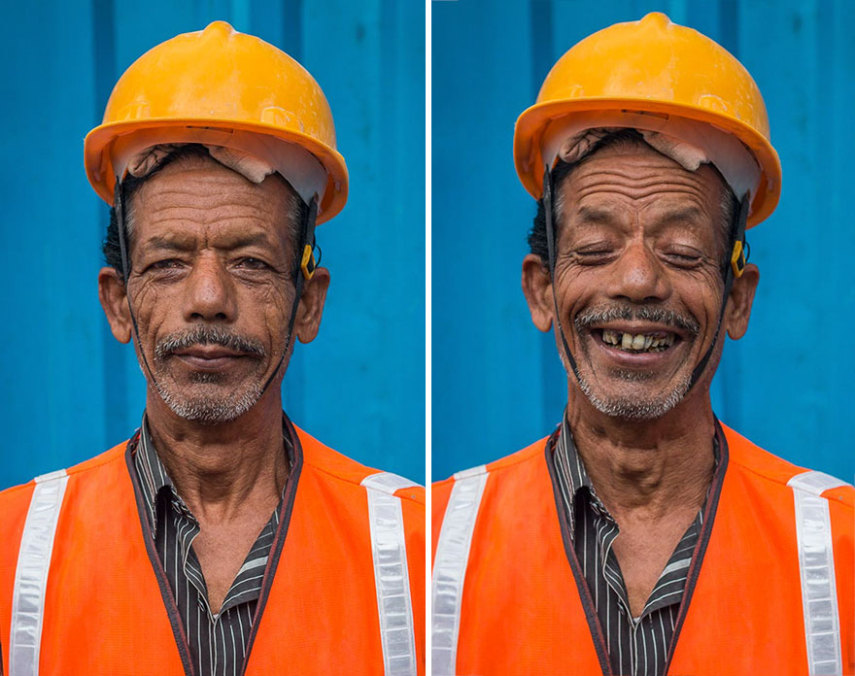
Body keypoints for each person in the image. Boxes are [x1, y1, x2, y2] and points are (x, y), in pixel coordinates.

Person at [432, 13, 852, 675]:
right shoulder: (427, 552)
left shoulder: (841, 551)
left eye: (682, 251)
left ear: (737, 298)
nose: (636, 281)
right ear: (541, 290)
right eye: (595, 248)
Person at [0, 22, 423, 675]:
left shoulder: (419, 552)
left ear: (307, 300)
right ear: (117, 302)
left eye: (250, 261)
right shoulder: (13, 549)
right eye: (167, 262)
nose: (207, 297)